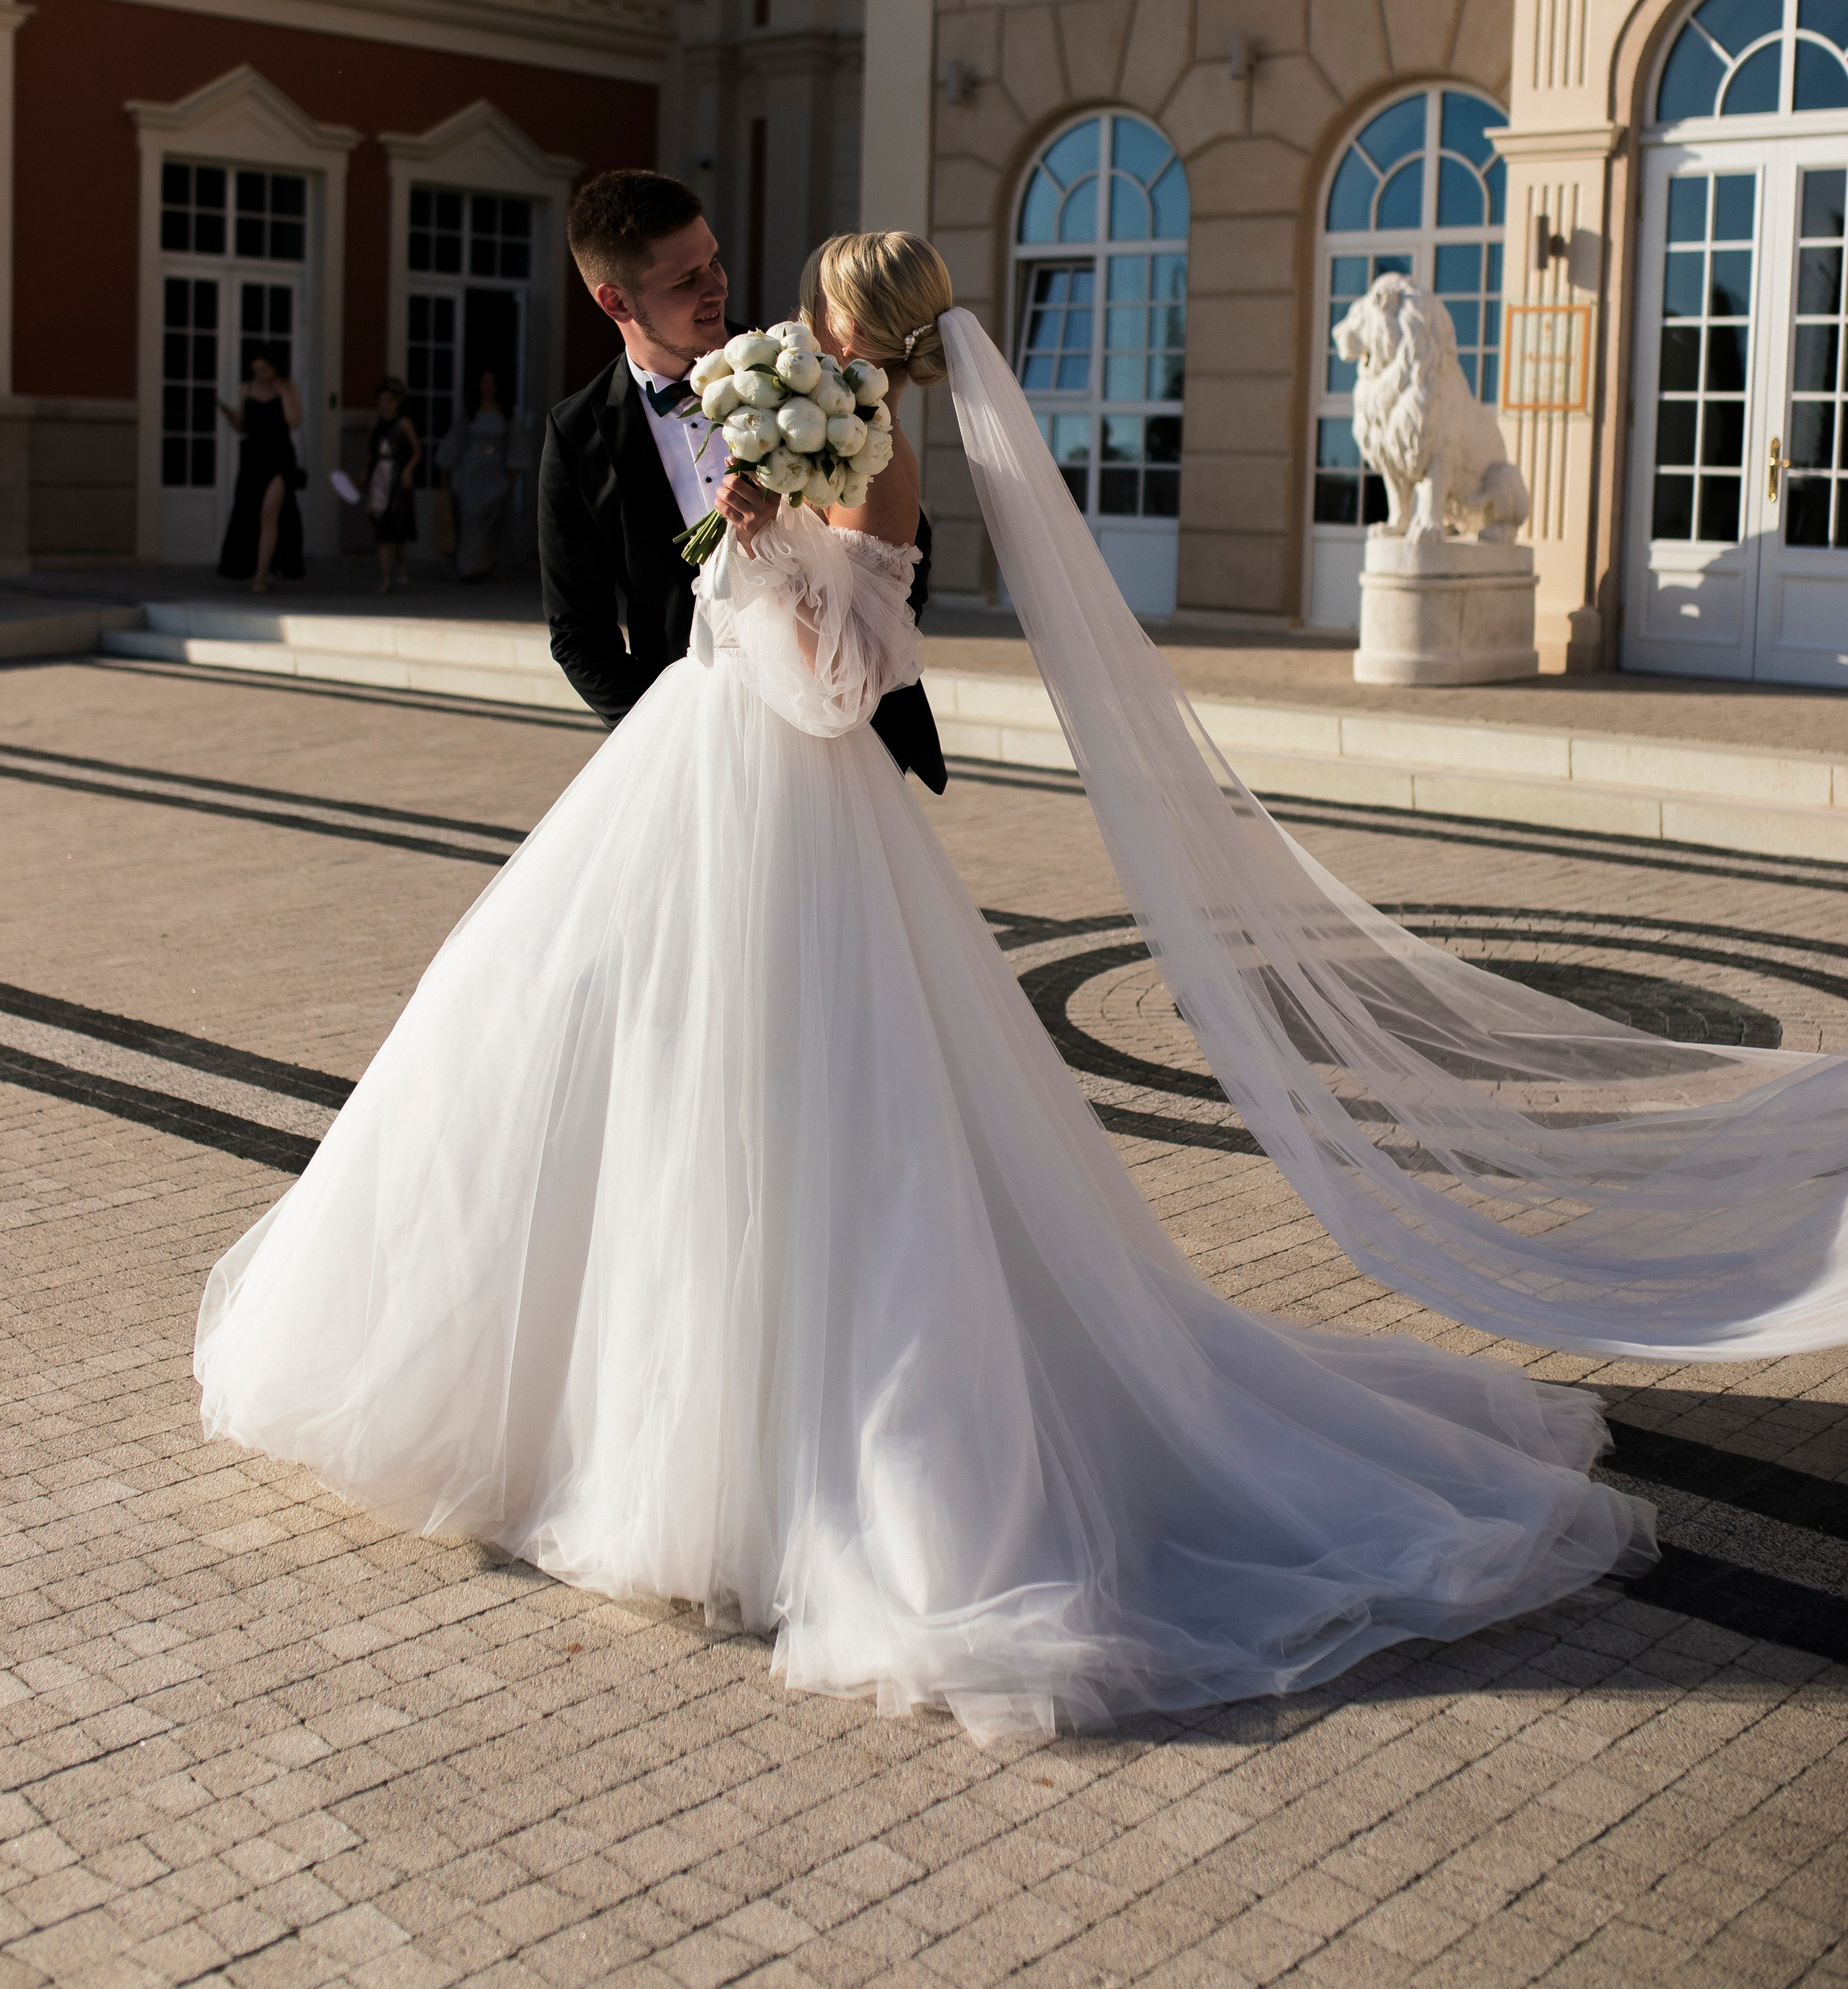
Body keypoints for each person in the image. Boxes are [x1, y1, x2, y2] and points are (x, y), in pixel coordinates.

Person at [195, 230, 1670, 1746]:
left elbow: (841, 690)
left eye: (815, 298)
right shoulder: (786, 406)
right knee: (591, 1074)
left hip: (802, 822)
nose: (779, 307)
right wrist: (747, 525)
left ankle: (810, 1472)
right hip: (682, 790)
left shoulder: (877, 457)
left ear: (860, 332)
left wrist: (756, 534)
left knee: (820, 1128)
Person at [536, 168, 945, 789]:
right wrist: (666, 748)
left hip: (834, 752)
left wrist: (791, 581)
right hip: (686, 758)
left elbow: (898, 562)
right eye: (685, 279)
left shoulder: (811, 378)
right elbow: (577, 635)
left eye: (714, 263)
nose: (716, 288)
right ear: (616, 301)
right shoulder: (576, 435)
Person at [217, 350, 305, 593]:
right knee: (250, 513)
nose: (260, 375)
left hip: (279, 457)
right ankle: (262, 568)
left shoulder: (288, 386)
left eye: (264, 369)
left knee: (269, 514)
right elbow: (242, 427)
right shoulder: (245, 389)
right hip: (253, 456)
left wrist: (283, 391)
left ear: (274, 367)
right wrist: (230, 416)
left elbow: (295, 421)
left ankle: (261, 577)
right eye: (256, 370)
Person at [438, 368, 530, 582]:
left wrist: (512, 475)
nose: (487, 387)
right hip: (472, 472)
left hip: (495, 473)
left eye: (491, 382)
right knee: (470, 521)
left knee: (492, 524)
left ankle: (486, 565)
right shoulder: (470, 411)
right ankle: (468, 568)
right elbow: (456, 439)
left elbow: (516, 445)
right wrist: (445, 468)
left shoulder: (507, 414)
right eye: (484, 382)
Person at [363, 378, 419, 596]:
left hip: (396, 476)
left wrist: (407, 470)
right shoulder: (376, 424)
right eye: (381, 400)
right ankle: (386, 576)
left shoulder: (403, 423)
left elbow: (417, 450)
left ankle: (401, 566)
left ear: (398, 402)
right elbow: (372, 452)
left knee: (397, 527)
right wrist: (365, 474)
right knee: (382, 527)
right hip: (380, 476)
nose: (385, 405)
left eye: (389, 400)